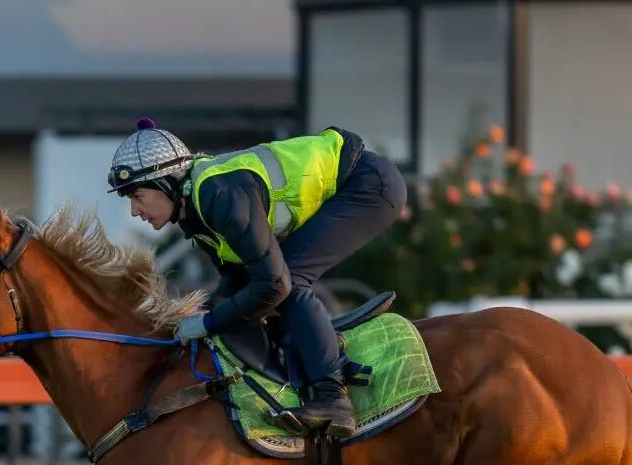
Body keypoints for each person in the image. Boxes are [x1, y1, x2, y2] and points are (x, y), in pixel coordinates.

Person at [106, 117, 407, 438]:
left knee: (289, 281)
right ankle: (309, 363)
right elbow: (233, 286)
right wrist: (197, 321)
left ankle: (332, 398)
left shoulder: (217, 196)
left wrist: (208, 323)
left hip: (368, 183)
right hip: (352, 182)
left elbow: (275, 285)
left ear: (167, 182)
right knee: (263, 292)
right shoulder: (194, 212)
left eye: (137, 196)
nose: (135, 211)